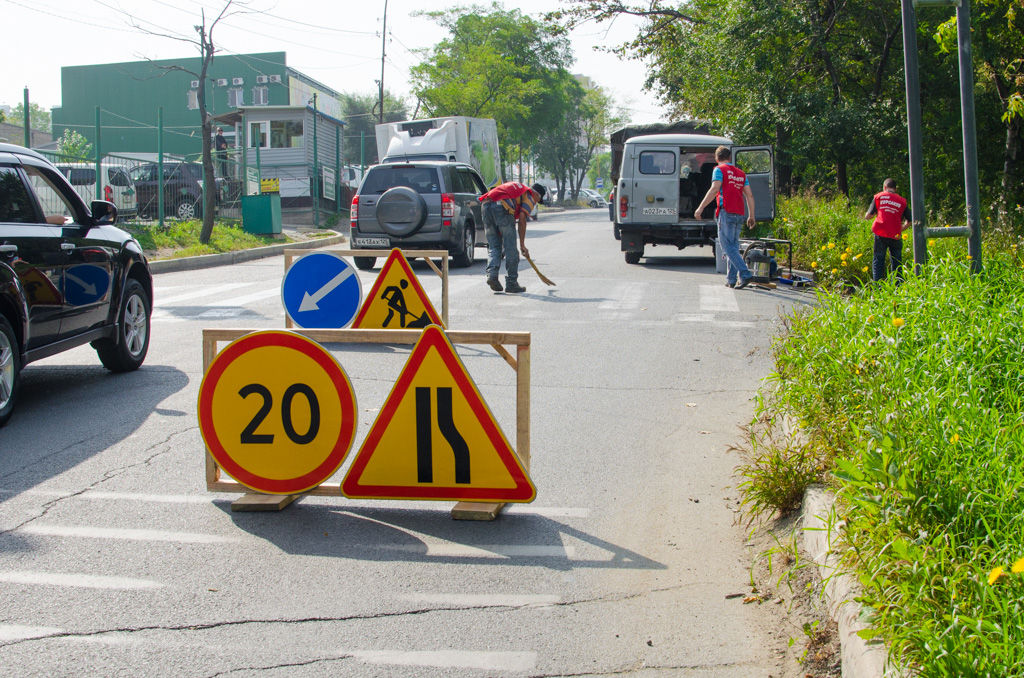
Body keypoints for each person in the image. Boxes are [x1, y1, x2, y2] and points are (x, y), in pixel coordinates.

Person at [695, 146, 756, 289]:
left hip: (726, 211)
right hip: (739, 213)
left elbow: (715, 189)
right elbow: (749, 195)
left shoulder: (719, 170)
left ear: (717, 158)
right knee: (733, 247)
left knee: (726, 246)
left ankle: (745, 274)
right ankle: (731, 279)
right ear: (729, 158)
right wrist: (752, 215)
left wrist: (701, 207)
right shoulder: (741, 174)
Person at [479, 181, 546, 293]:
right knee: (511, 250)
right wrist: (522, 245)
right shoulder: (529, 195)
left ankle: (492, 275)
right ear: (536, 195)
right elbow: (522, 219)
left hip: (486, 206)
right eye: (538, 200)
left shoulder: (518, 189)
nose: (535, 203)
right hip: (502, 207)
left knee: (494, 247)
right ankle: (511, 283)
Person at [864, 178, 911, 282]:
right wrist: (901, 229)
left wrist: (872, 214)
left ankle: (878, 287)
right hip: (895, 235)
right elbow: (910, 220)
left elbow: (868, 216)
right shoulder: (902, 201)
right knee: (897, 262)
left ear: (884, 187)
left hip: (880, 232)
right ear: (895, 189)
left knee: (878, 260)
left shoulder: (879, 197)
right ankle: (898, 286)